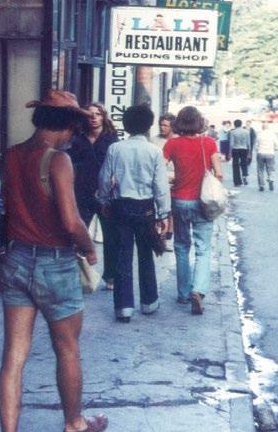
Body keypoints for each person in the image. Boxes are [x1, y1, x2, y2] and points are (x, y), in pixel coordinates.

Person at [0, 90, 108, 432]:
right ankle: (74, 424)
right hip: (55, 264)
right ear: (70, 126)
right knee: (67, 348)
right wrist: (89, 250)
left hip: (16, 259)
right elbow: (71, 220)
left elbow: (12, 206)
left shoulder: (10, 155)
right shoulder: (58, 160)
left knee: (13, 357)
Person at [98, 105, 170, 323]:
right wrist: (163, 214)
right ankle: (149, 302)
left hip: (121, 207)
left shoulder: (115, 149)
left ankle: (123, 307)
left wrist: (104, 200)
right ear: (149, 125)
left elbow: (104, 179)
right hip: (146, 209)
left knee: (123, 256)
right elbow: (161, 186)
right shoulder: (154, 151)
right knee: (146, 255)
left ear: (126, 125)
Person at [163, 106, 223, 316]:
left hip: (179, 201)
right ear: (199, 122)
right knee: (203, 248)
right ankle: (198, 289)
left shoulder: (172, 143)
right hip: (202, 202)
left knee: (181, 246)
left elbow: (160, 169)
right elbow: (219, 173)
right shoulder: (209, 143)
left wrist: (173, 179)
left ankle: (183, 293)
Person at [68, 102, 118, 289]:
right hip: (81, 192)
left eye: (98, 114)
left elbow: (117, 166)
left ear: (103, 117)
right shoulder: (77, 138)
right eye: (90, 114)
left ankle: (111, 276)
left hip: (105, 195)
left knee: (110, 236)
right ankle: (76, 274)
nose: (94, 118)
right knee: (76, 234)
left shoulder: (111, 139)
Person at [255, 122, 278, 191]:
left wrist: (258, 150)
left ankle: (261, 185)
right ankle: (270, 178)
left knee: (260, 169)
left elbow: (256, 145)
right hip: (270, 153)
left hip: (261, 153)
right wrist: (274, 149)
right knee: (270, 168)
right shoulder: (272, 134)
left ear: (262, 127)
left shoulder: (259, 134)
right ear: (268, 127)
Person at [228, 119, 251, 186]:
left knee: (235, 165)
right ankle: (244, 175)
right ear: (241, 124)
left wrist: (230, 152)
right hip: (244, 149)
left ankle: (237, 182)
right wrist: (249, 152)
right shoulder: (246, 132)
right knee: (244, 163)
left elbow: (231, 144)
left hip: (235, 149)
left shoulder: (232, 132)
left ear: (234, 125)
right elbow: (248, 143)